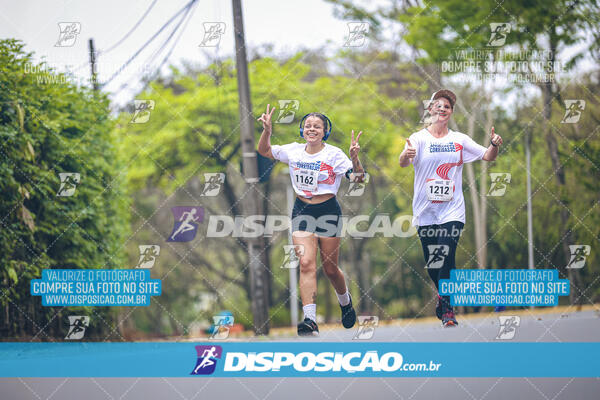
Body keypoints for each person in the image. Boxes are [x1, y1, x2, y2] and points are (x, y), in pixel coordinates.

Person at [257, 104, 366, 336]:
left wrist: (355, 159)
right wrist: (267, 130)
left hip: (328, 212)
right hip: (302, 211)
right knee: (306, 263)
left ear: (324, 132)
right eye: (308, 126)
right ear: (302, 130)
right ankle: (310, 319)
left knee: (330, 268)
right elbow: (264, 151)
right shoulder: (294, 150)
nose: (312, 129)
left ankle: (345, 303)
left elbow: (358, 179)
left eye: (317, 126)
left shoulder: (334, 154)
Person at [399, 89, 503, 327]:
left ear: (451, 112)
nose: (442, 109)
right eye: (438, 105)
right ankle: (442, 295)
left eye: (447, 106)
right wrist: (406, 154)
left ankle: (448, 309)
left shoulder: (459, 139)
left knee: (446, 254)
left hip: (452, 210)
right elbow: (403, 162)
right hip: (425, 211)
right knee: (433, 263)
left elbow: (488, 156)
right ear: (430, 110)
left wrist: (494, 144)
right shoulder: (418, 138)